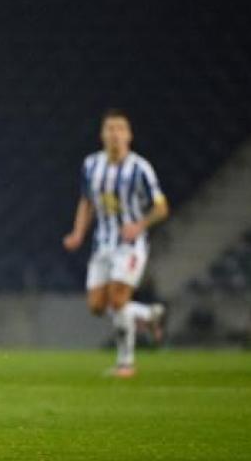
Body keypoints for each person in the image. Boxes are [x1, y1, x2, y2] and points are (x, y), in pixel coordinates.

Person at [63, 109, 168, 378]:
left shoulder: (140, 168)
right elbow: (86, 202)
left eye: (120, 129)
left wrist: (139, 225)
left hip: (131, 246)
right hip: (102, 245)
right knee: (97, 306)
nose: (114, 133)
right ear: (102, 135)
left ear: (129, 135)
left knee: (119, 300)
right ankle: (147, 313)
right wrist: (78, 233)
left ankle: (126, 363)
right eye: (109, 128)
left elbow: (161, 207)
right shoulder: (91, 165)